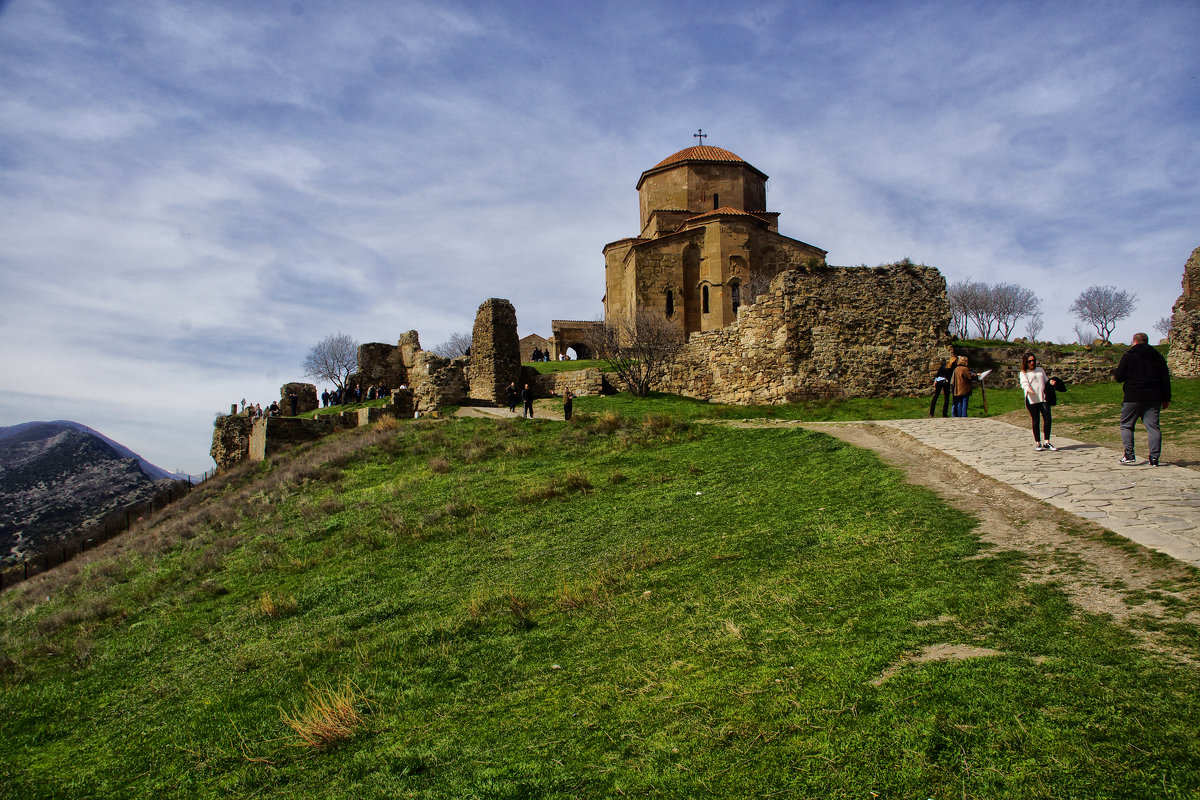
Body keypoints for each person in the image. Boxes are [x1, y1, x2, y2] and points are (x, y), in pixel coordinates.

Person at [1114, 332, 1171, 466]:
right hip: (1154, 396)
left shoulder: (1129, 356)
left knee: (1126, 425)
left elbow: (1119, 377)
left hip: (1133, 395)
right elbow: (1165, 379)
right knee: (1153, 427)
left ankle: (1129, 454)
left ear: (1134, 341)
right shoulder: (1157, 357)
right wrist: (1166, 398)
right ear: (1146, 342)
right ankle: (1154, 458)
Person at [1019, 352, 1055, 451]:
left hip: (1043, 397)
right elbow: (1024, 383)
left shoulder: (1040, 370)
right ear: (1026, 362)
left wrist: (1051, 382)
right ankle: (1038, 442)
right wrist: (1028, 389)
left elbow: (1046, 380)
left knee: (1048, 418)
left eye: (1033, 360)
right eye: (1029, 361)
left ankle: (1047, 442)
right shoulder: (1023, 373)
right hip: (1032, 399)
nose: (1032, 362)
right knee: (1036, 420)